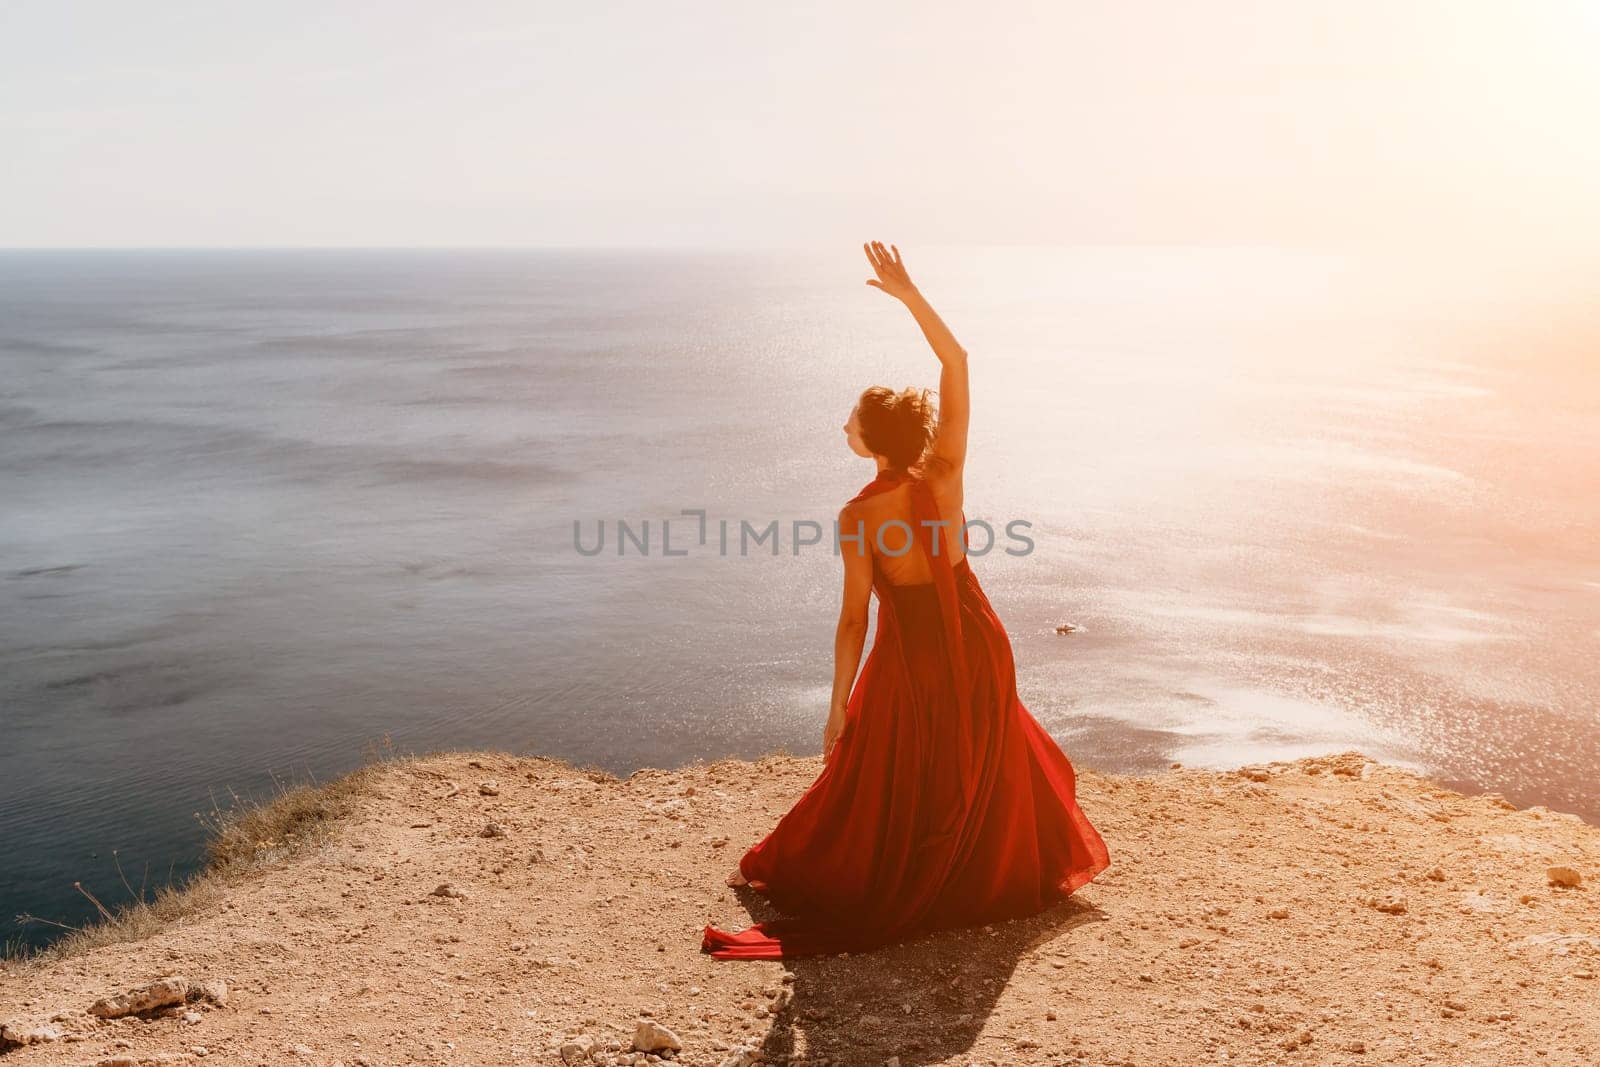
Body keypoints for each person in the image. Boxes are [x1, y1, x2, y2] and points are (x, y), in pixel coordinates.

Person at [701, 241, 1110, 960]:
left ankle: (903, 879)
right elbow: (957, 363)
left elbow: (855, 617)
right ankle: (981, 878)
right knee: (979, 754)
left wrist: (836, 704)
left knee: (888, 768)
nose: (843, 427)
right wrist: (911, 295)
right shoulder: (945, 469)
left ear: (868, 442)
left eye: (850, 422)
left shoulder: (858, 517)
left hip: (912, 652)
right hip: (977, 634)